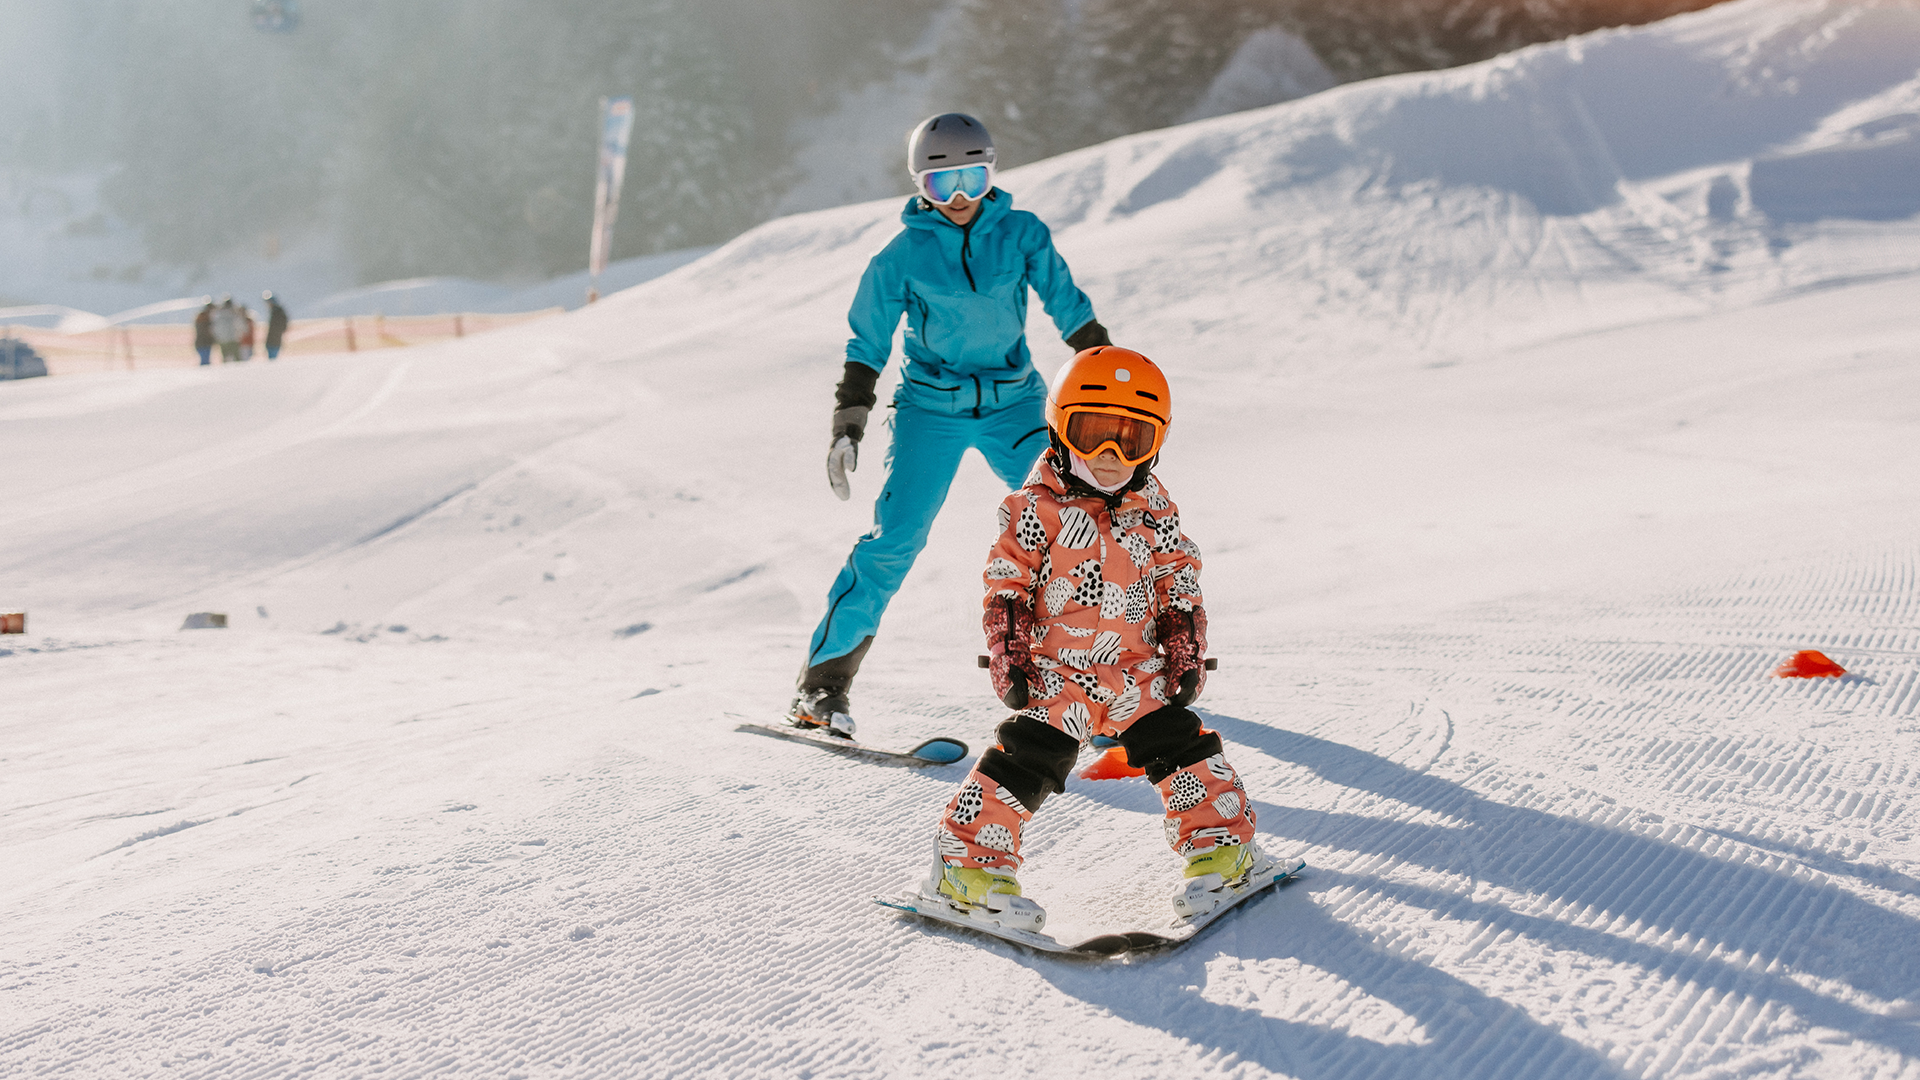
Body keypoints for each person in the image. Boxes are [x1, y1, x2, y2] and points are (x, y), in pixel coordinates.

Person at [788, 112, 1112, 736]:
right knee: (895, 540)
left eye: (972, 178)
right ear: (920, 188)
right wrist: (847, 422)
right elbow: (867, 342)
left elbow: (1067, 304)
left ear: (991, 175)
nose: (960, 198)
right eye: (943, 185)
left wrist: (1101, 363)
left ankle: (1099, 668)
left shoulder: (1020, 234)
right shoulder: (902, 256)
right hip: (929, 411)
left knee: (1080, 520)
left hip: (1015, 404)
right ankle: (820, 687)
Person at [916, 346, 1263, 928]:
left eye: (1131, 440)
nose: (1109, 456)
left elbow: (1179, 580)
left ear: (1155, 446)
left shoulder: (1155, 512)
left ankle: (1221, 851)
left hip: (1136, 676)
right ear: (1059, 428)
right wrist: (1010, 647)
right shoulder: (1036, 508)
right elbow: (1008, 579)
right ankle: (966, 868)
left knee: (1185, 750)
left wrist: (1184, 644)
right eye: (1093, 432)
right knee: (1026, 762)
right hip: (1059, 680)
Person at [212, 297, 240, 363]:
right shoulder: (233, 314)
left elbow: (214, 328)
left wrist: (217, 337)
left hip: (222, 339)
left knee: (225, 358)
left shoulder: (218, 314)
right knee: (237, 359)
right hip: (232, 338)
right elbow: (239, 325)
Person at [263, 291, 288, 359]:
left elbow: (283, 325)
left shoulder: (278, 312)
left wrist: (278, 332)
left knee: (273, 359)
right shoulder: (275, 311)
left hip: (275, 340)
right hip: (273, 340)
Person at [193, 302, 215, 366]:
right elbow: (206, 332)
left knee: (205, 361)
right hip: (203, 343)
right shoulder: (204, 319)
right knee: (205, 362)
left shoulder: (201, 317)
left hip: (202, 342)